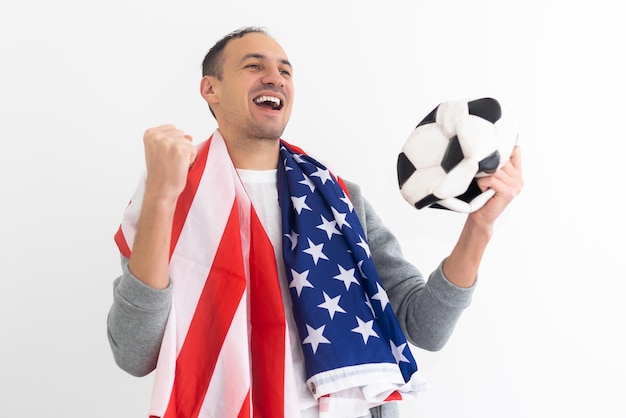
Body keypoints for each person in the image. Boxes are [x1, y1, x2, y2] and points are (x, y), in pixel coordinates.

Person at [107, 26, 523, 418]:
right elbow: (135, 351)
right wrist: (162, 196)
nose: (275, 77)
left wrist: (479, 226)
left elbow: (424, 326)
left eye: (285, 70)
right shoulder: (171, 192)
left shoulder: (339, 197)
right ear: (210, 88)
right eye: (254, 66)